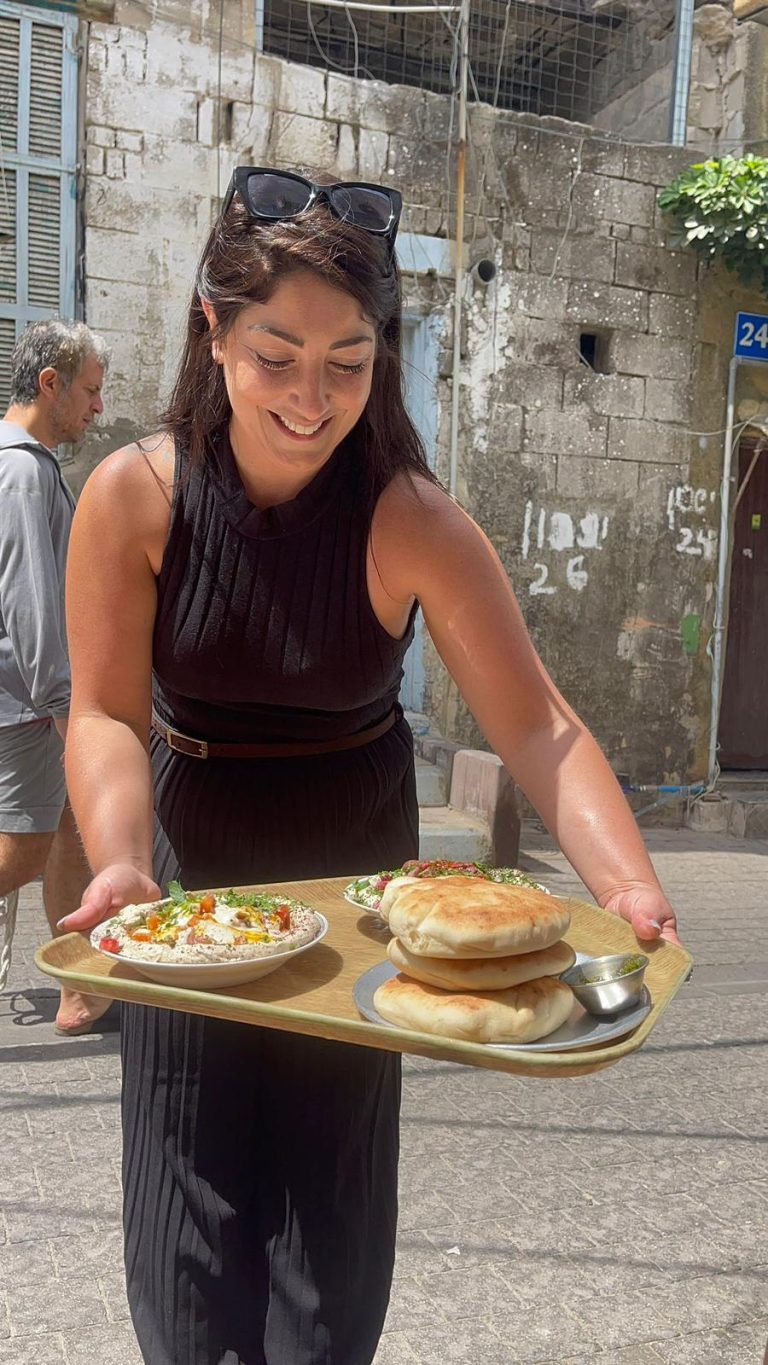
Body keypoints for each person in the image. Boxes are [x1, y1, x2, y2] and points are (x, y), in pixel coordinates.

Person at [60, 166, 680, 1365]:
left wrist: (630, 891)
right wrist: (125, 859)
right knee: (183, 1239)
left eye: (349, 362)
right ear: (214, 327)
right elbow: (100, 713)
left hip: (356, 872)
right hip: (195, 883)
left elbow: (539, 725)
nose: (310, 396)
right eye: (276, 354)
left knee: (328, 1249)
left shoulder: (414, 520)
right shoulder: (132, 497)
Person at [0, 319, 110, 1035]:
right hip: (28, 706)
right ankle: (80, 989)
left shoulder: (26, 467)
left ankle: (78, 991)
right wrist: (66, 710)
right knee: (24, 851)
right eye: (91, 392)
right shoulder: (20, 472)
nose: (97, 408)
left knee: (68, 830)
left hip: (29, 701)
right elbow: (31, 602)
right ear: (51, 384)